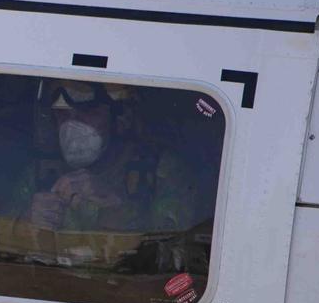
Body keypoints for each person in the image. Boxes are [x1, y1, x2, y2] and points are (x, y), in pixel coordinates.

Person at [20, 80, 197, 234]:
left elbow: (175, 249)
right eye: (63, 112)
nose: (72, 123)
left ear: (121, 119)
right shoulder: (41, 171)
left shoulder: (159, 170)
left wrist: (116, 206)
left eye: (88, 111)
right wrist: (27, 223)